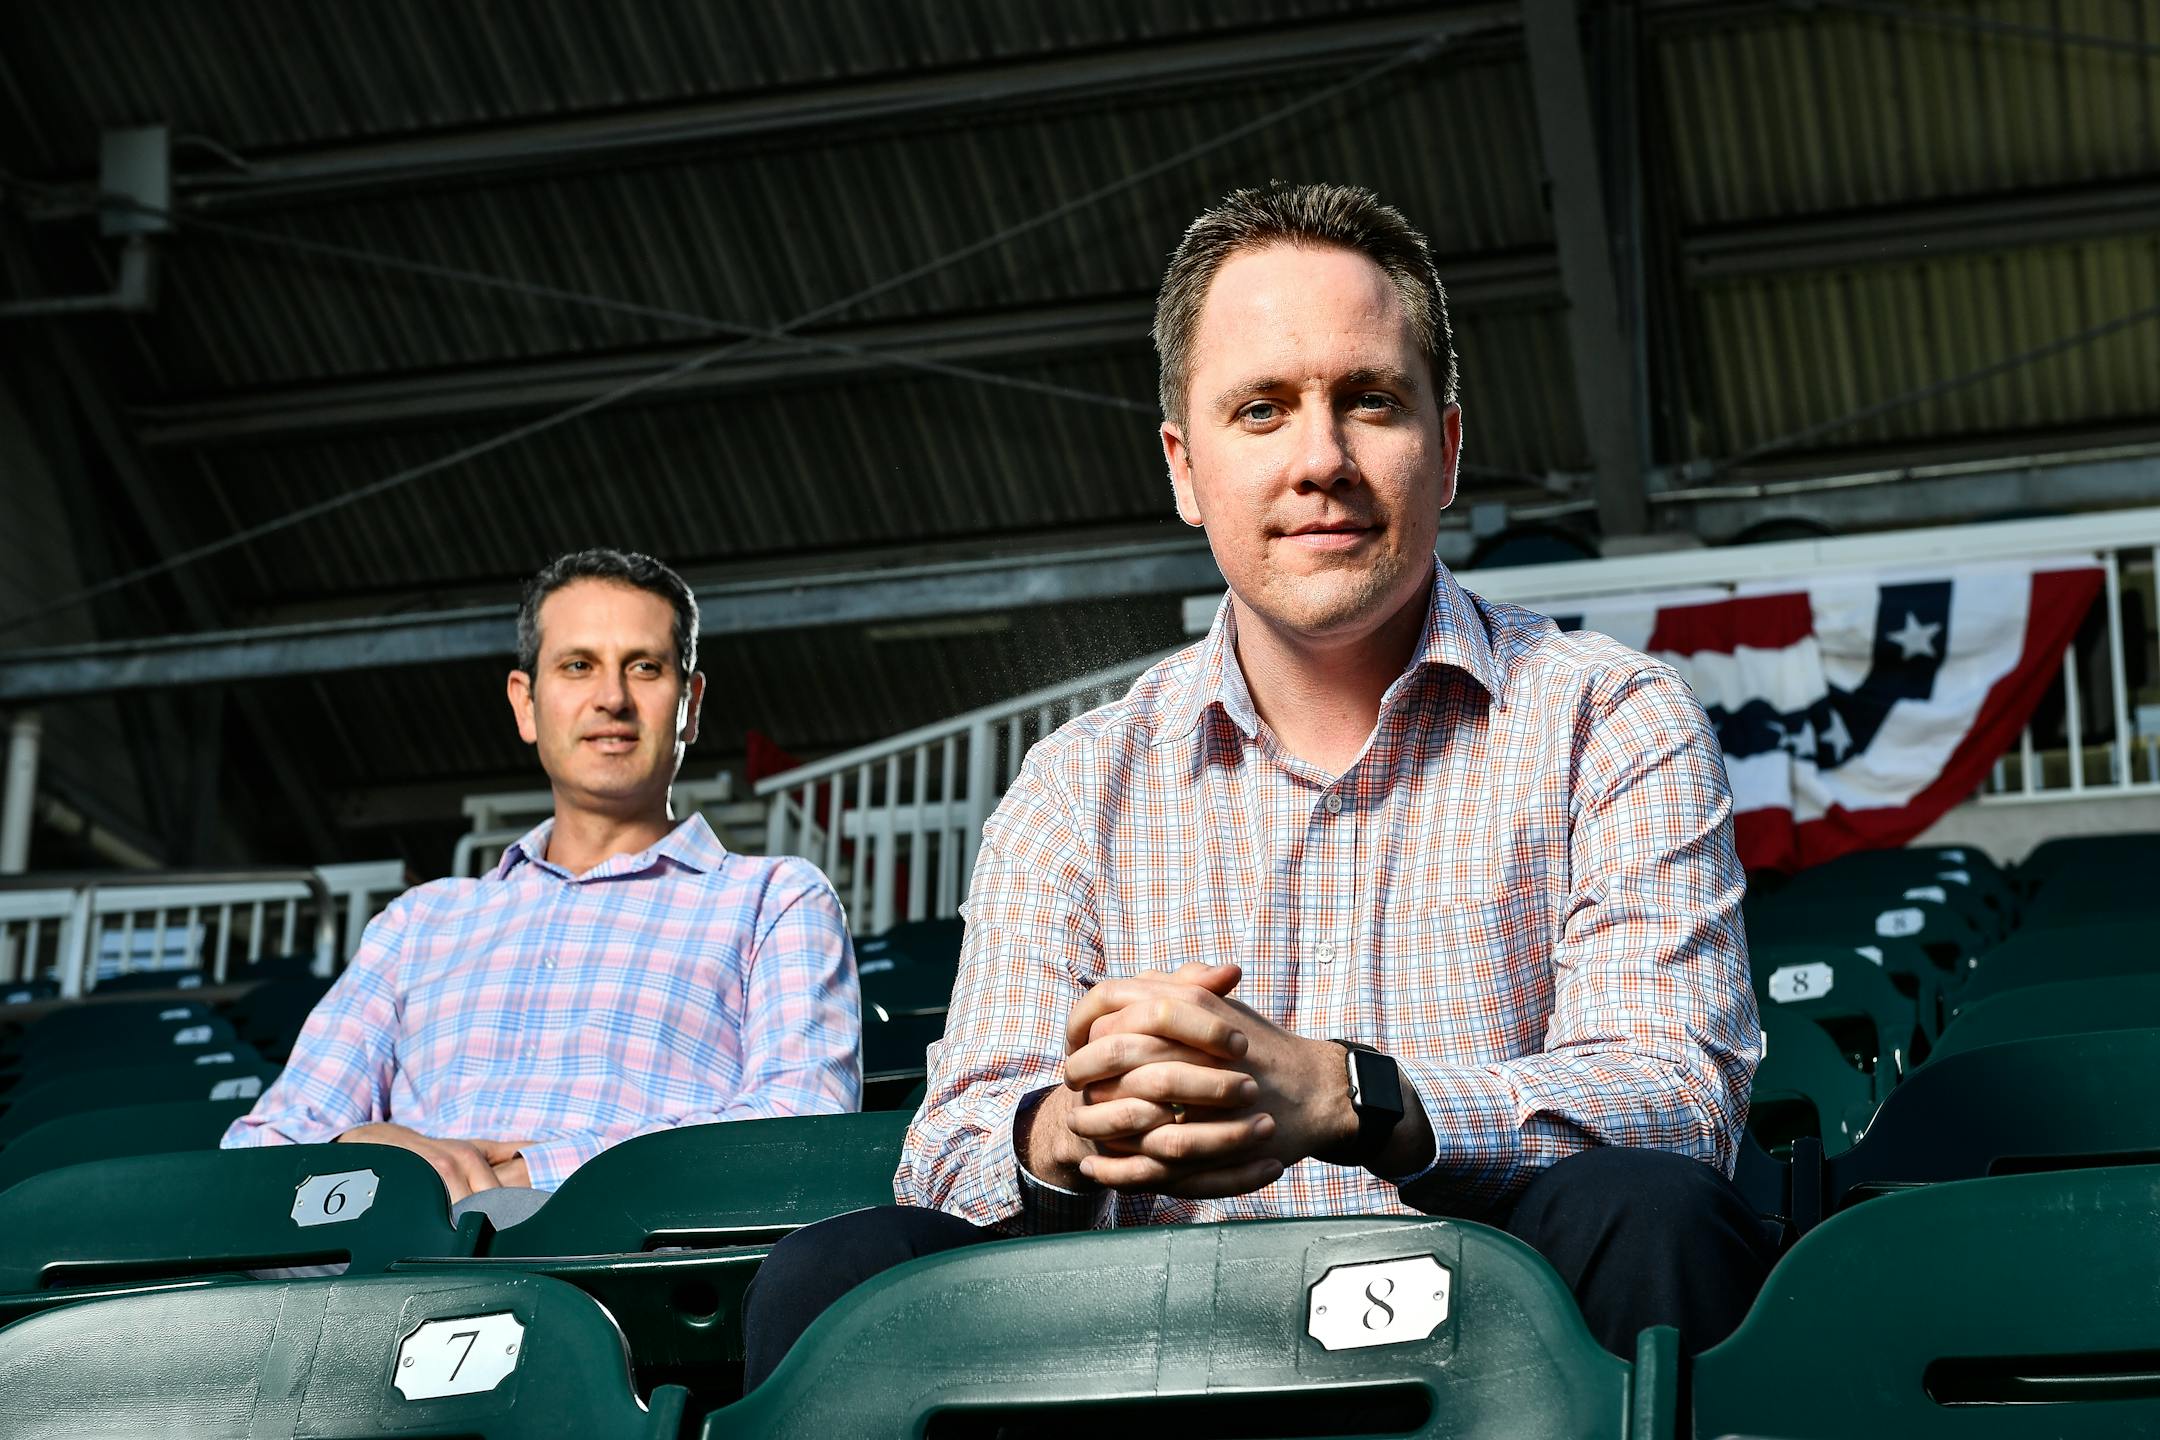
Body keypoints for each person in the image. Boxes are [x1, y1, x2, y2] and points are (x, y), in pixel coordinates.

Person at [740, 182, 1774, 1386]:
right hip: (1143, 1364)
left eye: (1370, 401)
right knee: (839, 1277)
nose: (1320, 460)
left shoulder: (1610, 715)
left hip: (1489, 1353)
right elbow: (949, 1155)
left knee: (1648, 1210)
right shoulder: (1075, 782)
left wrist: (1352, 1095)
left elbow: (1677, 1098)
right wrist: (1068, 1129)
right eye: (1262, 410)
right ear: (1185, 469)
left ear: (1446, 448)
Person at [224, 549, 860, 1222]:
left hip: (633, 1256)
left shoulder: (776, 901)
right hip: (397, 1257)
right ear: (525, 704)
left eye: (644, 667)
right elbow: (259, 1149)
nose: (612, 698)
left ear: (690, 706)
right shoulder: (419, 922)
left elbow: (803, 1123)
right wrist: (369, 1149)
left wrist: (544, 1170)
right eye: (578, 665)